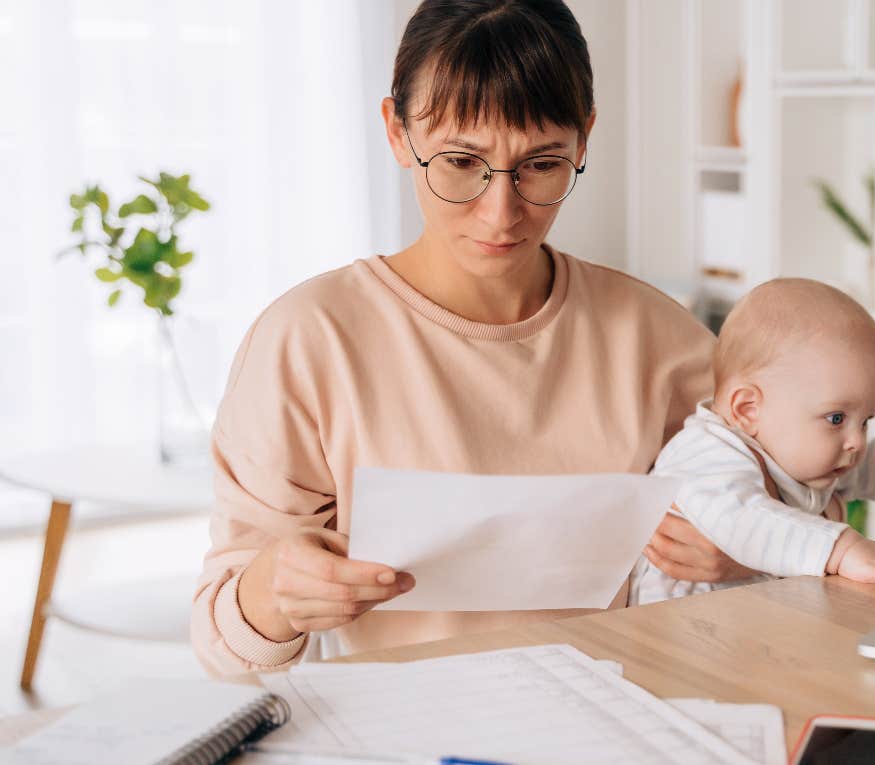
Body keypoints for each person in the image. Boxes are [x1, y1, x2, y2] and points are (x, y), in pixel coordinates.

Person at [190, 0, 746, 676]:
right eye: (460, 161)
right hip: (400, 735)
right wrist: (272, 589)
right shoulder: (309, 341)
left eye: (542, 164)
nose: (501, 211)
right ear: (397, 133)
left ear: (584, 139)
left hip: (617, 718)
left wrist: (741, 550)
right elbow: (221, 645)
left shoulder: (657, 338)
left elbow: (810, 499)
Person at [630, 278, 875, 605]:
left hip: (750, 620)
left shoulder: (796, 448)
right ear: (748, 410)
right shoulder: (708, 456)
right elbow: (744, 523)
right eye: (836, 419)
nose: (856, 442)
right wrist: (843, 548)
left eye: (866, 421)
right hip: (676, 632)